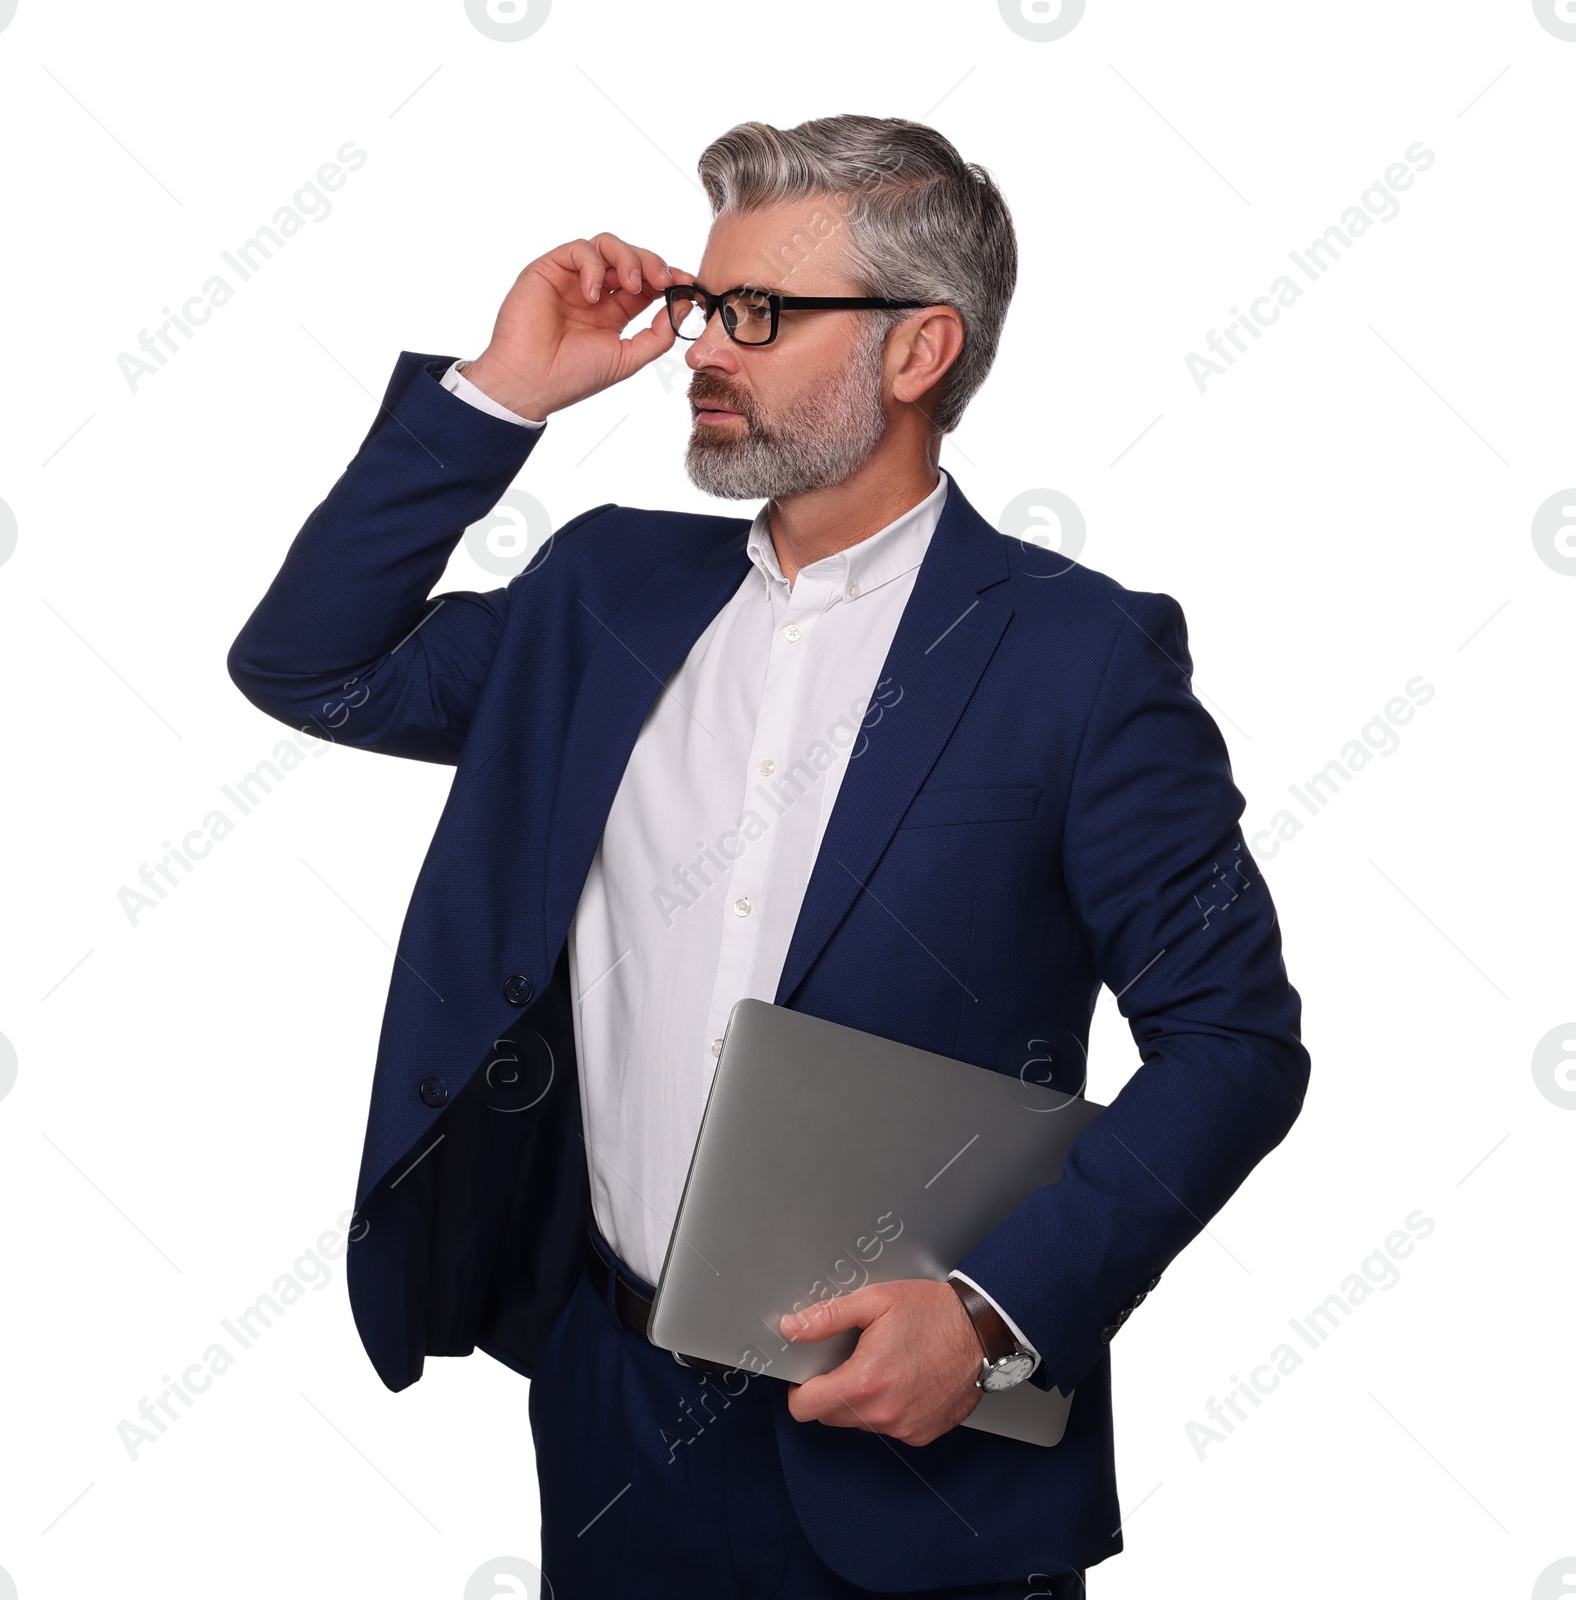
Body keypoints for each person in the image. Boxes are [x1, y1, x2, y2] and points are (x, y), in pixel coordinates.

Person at [229, 114, 1310, 1598]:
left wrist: (997, 1315)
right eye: (704, 306)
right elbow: (310, 666)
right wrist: (502, 396)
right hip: (611, 1399)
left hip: (926, 1435)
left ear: (919, 351)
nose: (700, 350)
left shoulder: (1082, 657)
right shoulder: (602, 591)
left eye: (757, 315)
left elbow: (1235, 1045)